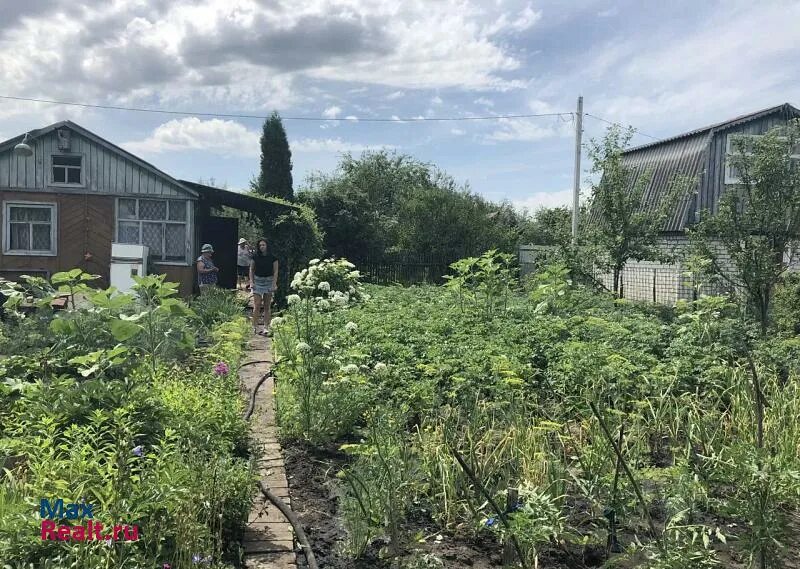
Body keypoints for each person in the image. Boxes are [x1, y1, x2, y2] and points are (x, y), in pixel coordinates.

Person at [250, 238, 278, 335]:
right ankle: (254, 326)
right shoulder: (255, 257)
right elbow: (251, 269)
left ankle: (266, 327)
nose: (262, 247)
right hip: (257, 281)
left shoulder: (273, 257)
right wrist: (251, 282)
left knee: (267, 306)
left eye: (263, 245)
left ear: (267, 246)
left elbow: (275, 271)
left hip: (269, 280)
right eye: (260, 245)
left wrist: (274, 283)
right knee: (257, 304)